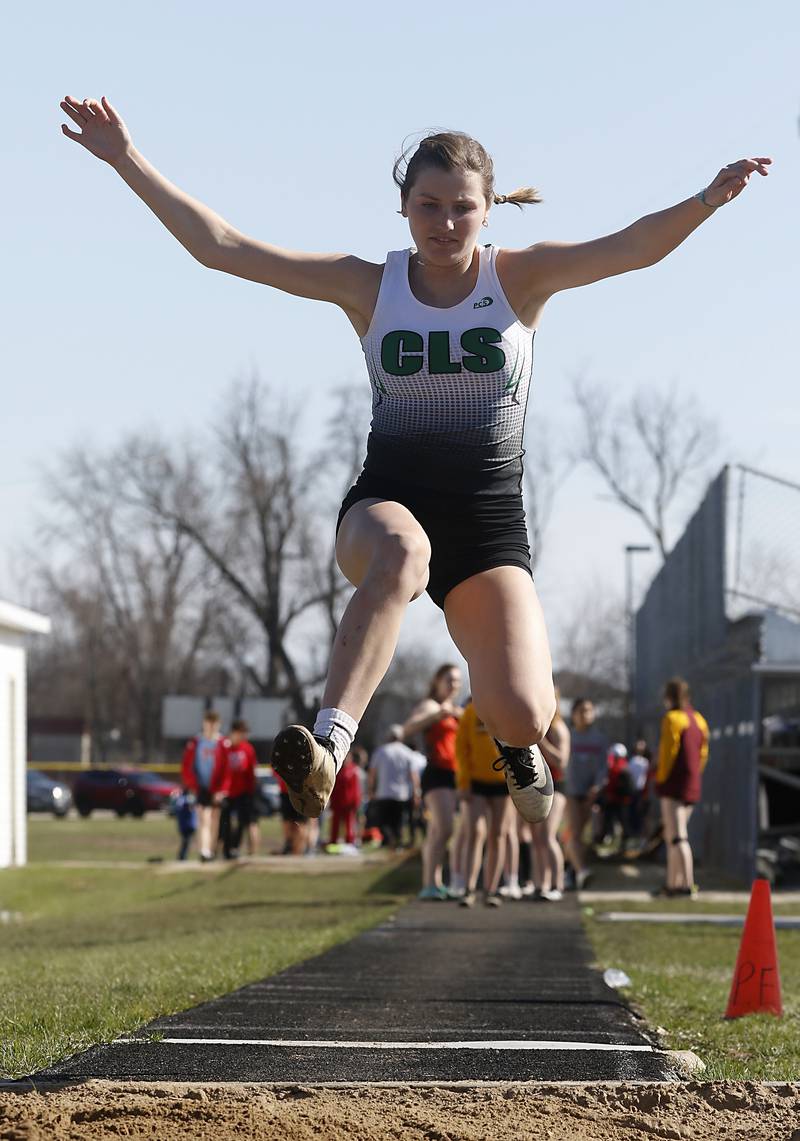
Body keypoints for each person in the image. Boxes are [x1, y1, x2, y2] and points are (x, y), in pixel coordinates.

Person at [60, 101, 769, 828]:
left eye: (463, 208)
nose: (445, 223)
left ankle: (512, 741)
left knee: (526, 710)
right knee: (404, 553)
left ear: (489, 210)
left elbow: (632, 247)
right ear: (403, 206)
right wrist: (127, 160)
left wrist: (707, 198)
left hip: (487, 522)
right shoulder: (371, 285)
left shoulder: (521, 279)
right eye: (428, 205)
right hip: (387, 503)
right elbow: (226, 247)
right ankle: (329, 746)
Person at [400, 664, 464, 899]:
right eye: (448, 679)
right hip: (436, 773)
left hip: (454, 774)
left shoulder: (456, 709)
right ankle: (429, 884)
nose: (453, 684)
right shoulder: (430, 705)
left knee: (440, 831)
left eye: (457, 680)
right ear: (437, 681)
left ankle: (434, 883)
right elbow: (407, 729)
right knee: (444, 828)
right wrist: (437, 714)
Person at [455, 700, 515, 907]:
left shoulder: (508, 709)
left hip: (503, 782)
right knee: (475, 832)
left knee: (498, 834)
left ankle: (491, 889)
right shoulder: (471, 712)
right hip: (476, 782)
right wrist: (463, 782)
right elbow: (461, 748)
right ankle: (468, 888)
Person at [655, 677, 710, 897]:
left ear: (668, 697)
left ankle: (687, 885)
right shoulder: (699, 720)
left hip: (674, 783)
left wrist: (661, 778)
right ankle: (673, 883)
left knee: (678, 836)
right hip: (692, 782)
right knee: (672, 836)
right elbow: (703, 754)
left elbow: (668, 753)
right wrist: (695, 776)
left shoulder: (672, 719)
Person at [564, 698, 608, 890]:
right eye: (581, 710)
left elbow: (603, 768)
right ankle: (581, 871)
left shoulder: (599, 739)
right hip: (571, 792)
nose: (585, 714)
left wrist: (597, 787)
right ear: (574, 714)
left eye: (589, 710)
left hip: (589, 793)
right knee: (574, 834)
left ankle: (569, 871)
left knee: (578, 836)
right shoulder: (569, 736)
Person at [531, 686, 570, 901]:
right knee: (537, 838)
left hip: (556, 786)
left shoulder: (558, 727)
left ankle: (558, 884)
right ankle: (540, 883)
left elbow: (562, 761)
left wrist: (541, 742)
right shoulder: (536, 725)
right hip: (537, 784)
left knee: (547, 835)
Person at [368, 726, 421, 849]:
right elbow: (414, 776)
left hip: (384, 793)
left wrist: (371, 790)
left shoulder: (381, 751)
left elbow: (372, 773)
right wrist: (416, 793)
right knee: (398, 821)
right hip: (402, 794)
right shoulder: (408, 753)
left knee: (384, 821)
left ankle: (389, 841)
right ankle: (397, 841)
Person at [180, 710, 223, 861]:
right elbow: (186, 766)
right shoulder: (196, 742)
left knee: (214, 819)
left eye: (214, 724)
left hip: (217, 787)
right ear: (204, 724)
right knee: (203, 818)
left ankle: (211, 850)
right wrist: (192, 784)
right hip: (201, 786)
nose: (211, 727)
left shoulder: (222, 743)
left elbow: (226, 769)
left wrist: (223, 789)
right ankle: (204, 850)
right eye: (208, 724)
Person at [215, 720, 258, 859]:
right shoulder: (224, 747)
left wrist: (251, 791)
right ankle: (225, 850)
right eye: (240, 733)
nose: (242, 737)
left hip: (243, 792)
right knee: (225, 822)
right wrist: (219, 790)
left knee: (241, 822)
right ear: (233, 733)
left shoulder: (247, 749)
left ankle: (234, 848)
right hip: (226, 792)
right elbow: (220, 770)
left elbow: (251, 772)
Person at [328, 747, 362, 847]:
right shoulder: (337, 769)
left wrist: (356, 802)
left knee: (349, 823)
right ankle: (333, 841)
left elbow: (356, 789)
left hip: (349, 803)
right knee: (335, 823)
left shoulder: (354, 770)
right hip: (337, 802)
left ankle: (350, 842)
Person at [173, 788, 197, 861]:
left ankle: (183, 855)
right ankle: (182, 856)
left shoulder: (180, 799)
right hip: (187, 825)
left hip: (185, 825)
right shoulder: (186, 799)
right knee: (186, 841)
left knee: (186, 841)